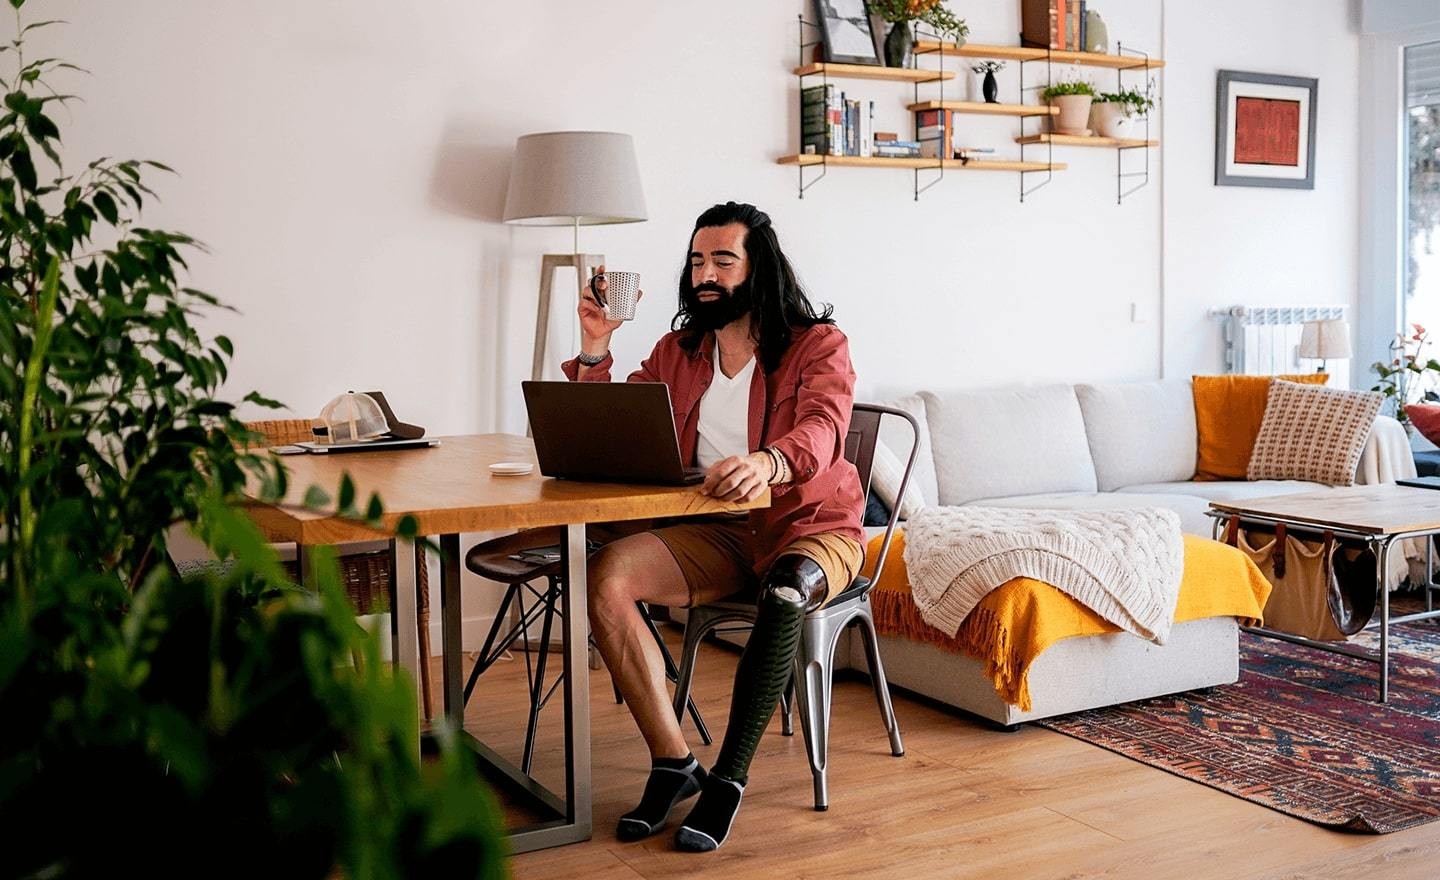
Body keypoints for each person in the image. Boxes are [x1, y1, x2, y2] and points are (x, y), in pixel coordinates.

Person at [561, 201, 864, 852]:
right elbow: (613, 426)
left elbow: (825, 425)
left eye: (724, 260)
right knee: (607, 575)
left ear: (761, 270)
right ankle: (675, 763)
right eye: (698, 260)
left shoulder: (817, 345)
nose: (707, 273)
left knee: (786, 589)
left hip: (812, 526)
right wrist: (596, 347)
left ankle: (727, 779)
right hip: (721, 531)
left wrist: (769, 461)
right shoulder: (680, 350)